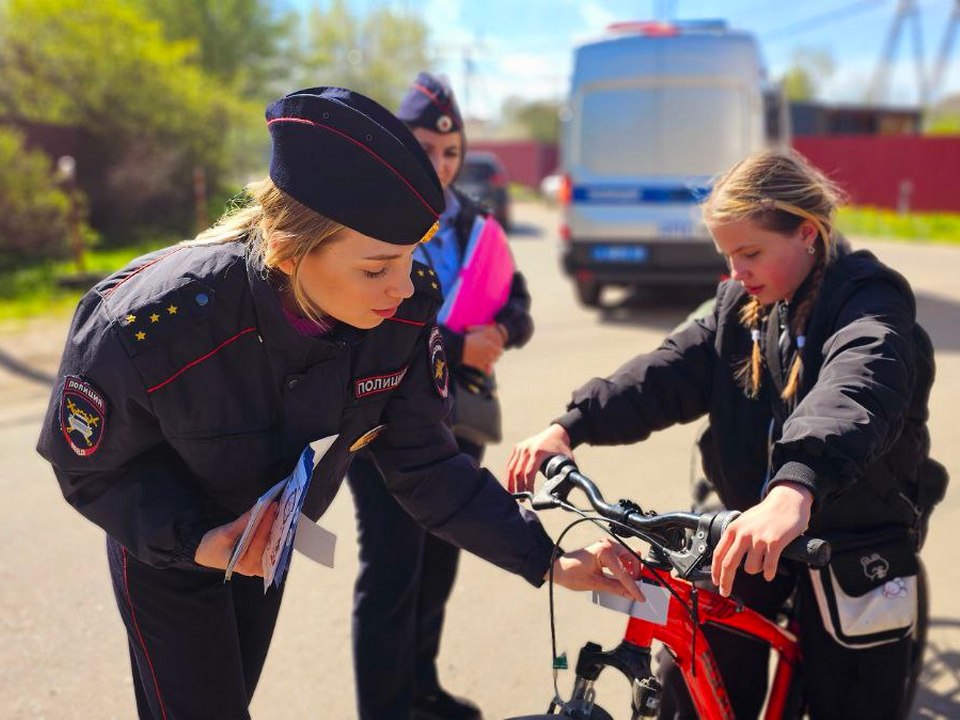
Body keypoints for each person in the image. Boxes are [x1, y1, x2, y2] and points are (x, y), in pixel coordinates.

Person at [36, 86, 643, 720]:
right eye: (377, 268)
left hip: (263, 545)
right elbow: (89, 466)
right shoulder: (148, 326)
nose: (403, 288)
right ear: (287, 251)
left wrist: (546, 558)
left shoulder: (403, 311)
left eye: (411, 260)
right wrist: (197, 540)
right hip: (167, 546)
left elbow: (426, 466)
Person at [507, 149, 943, 720]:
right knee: (693, 669)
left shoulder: (869, 300)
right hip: (749, 523)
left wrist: (796, 487)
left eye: (750, 252)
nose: (735, 272)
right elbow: (665, 373)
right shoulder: (742, 304)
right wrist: (571, 425)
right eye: (728, 255)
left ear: (807, 233)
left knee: (851, 692)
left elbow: (858, 384)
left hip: (850, 531)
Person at [344, 71, 529, 720]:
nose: (441, 164)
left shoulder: (475, 222)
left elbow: (521, 302)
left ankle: (420, 691)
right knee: (393, 571)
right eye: (424, 149)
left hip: (459, 424)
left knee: (439, 564)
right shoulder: (367, 221)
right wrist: (454, 346)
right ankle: (384, 709)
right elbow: (362, 328)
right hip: (384, 428)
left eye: (450, 153)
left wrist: (501, 330)